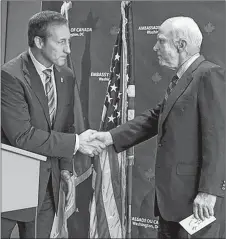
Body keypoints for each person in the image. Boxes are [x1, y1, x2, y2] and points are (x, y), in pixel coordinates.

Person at [90, 16, 225, 238]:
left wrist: (208, 192)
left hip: (196, 202)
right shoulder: (183, 78)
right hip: (171, 201)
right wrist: (110, 137)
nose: (155, 47)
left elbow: (219, 139)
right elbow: (155, 117)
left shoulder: (208, 75)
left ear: (181, 45)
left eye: (160, 41)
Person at [1, 11, 104, 238]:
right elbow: (23, 136)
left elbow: (65, 126)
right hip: (11, 184)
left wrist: (66, 168)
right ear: (39, 42)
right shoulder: (10, 76)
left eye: (69, 41)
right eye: (61, 42)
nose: (68, 49)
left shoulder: (66, 75)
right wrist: (77, 143)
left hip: (49, 185)